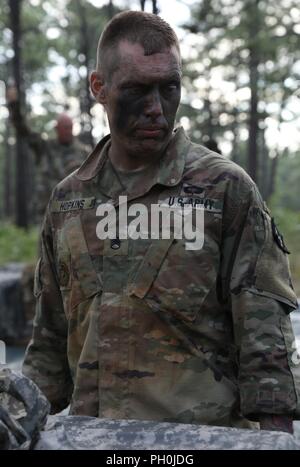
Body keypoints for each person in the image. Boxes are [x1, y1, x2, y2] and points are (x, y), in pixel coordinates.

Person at [23, 11, 300, 433]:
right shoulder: (68, 202)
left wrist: (276, 440)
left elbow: (266, 343)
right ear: (99, 87)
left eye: (169, 88)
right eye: (136, 90)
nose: (156, 109)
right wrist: (23, 421)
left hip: (201, 443)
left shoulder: (224, 189)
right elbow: (49, 340)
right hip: (94, 441)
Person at [6, 86, 91, 221]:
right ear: (57, 129)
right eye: (64, 128)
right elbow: (23, 131)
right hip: (48, 213)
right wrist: (13, 106)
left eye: (70, 127)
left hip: (76, 214)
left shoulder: (84, 152)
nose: (68, 131)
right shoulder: (44, 148)